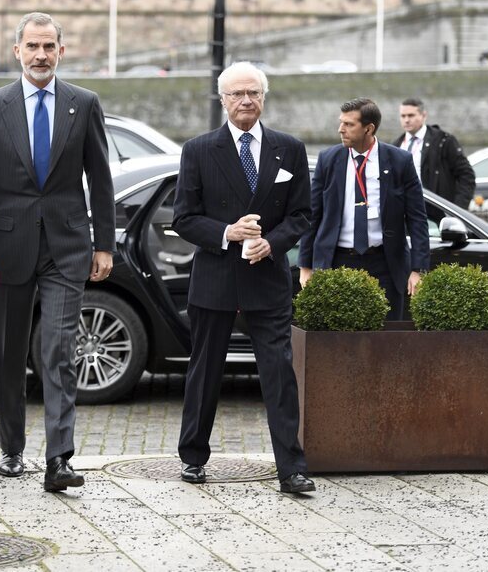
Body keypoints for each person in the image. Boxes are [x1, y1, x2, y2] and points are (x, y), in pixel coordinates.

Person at [0, 12, 115, 490]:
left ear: (61, 51)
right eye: (33, 46)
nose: (41, 55)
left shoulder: (83, 103)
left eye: (49, 46)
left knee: (59, 350)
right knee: (8, 353)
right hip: (8, 248)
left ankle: (59, 459)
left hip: (67, 249)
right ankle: (11, 449)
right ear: (17, 51)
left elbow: (101, 179)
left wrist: (104, 244)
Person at [172, 61, 315, 494]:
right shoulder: (198, 150)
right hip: (216, 275)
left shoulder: (288, 149)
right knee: (205, 369)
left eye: (253, 93)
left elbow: (302, 214)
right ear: (223, 100)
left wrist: (270, 242)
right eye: (237, 94)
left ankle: (291, 467)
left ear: (264, 98)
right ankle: (193, 456)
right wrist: (227, 234)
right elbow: (183, 218)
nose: (246, 101)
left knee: (279, 372)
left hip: (267, 277)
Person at [299, 98, 429, 320]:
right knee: (338, 338)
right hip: (337, 263)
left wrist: (417, 270)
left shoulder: (399, 161)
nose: (341, 129)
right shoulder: (328, 159)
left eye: (349, 124)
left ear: (369, 128)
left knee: (385, 339)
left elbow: (417, 219)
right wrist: (305, 266)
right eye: (341, 123)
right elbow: (313, 215)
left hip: (385, 264)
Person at [394, 98, 475, 208]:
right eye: (403, 116)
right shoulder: (396, 146)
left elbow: (466, 175)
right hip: (407, 211)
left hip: (437, 211)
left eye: (411, 115)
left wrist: (457, 209)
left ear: (424, 115)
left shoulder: (443, 141)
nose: (406, 120)